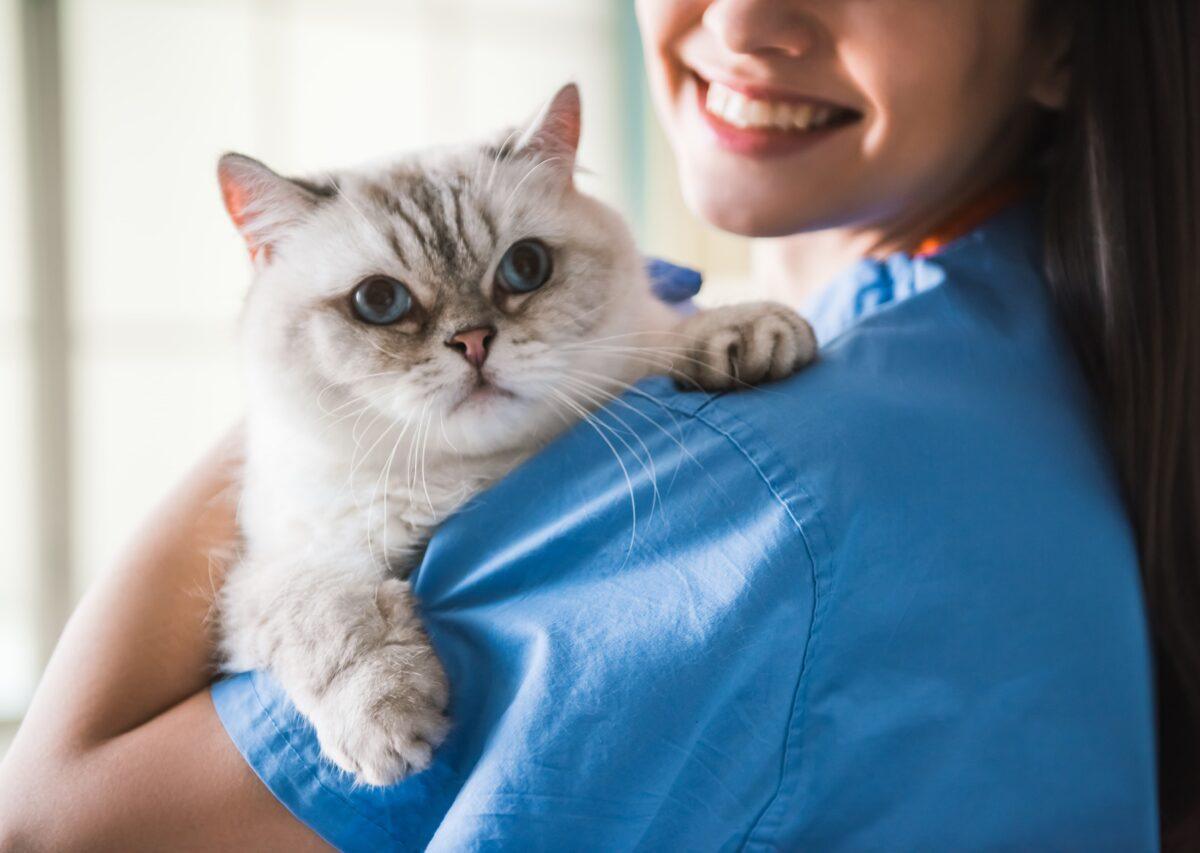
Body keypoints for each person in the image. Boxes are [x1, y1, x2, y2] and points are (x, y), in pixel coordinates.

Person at [2, 0, 1196, 848]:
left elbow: (52, 824)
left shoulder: (743, 486)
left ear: (1064, 36)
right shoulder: (1016, 340)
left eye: (521, 273)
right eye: (384, 306)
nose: (744, 21)